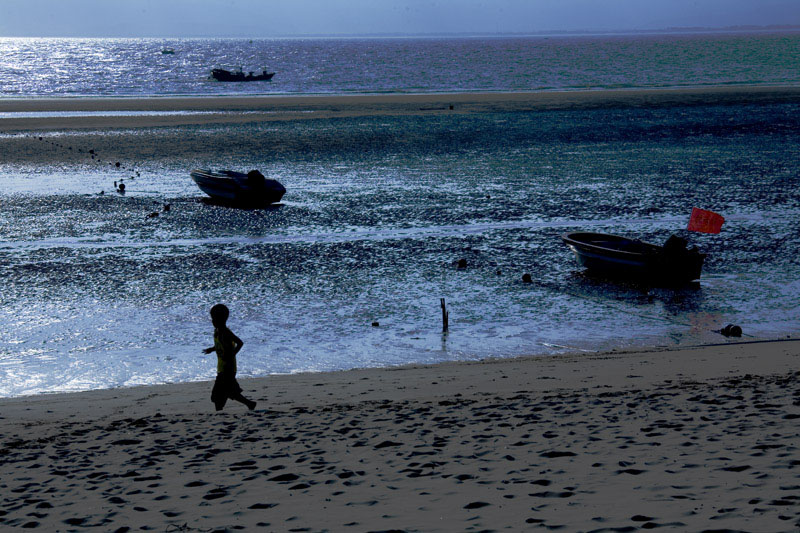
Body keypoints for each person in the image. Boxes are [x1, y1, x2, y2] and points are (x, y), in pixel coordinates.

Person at [203, 304, 257, 411]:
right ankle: (249, 404)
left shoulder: (225, 332)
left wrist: (232, 354)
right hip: (222, 366)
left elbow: (240, 343)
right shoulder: (217, 332)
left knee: (219, 393)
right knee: (228, 391)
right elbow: (220, 346)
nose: (212, 321)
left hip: (228, 367)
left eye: (214, 319)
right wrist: (212, 349)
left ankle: (221, 411)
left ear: (221, 320)